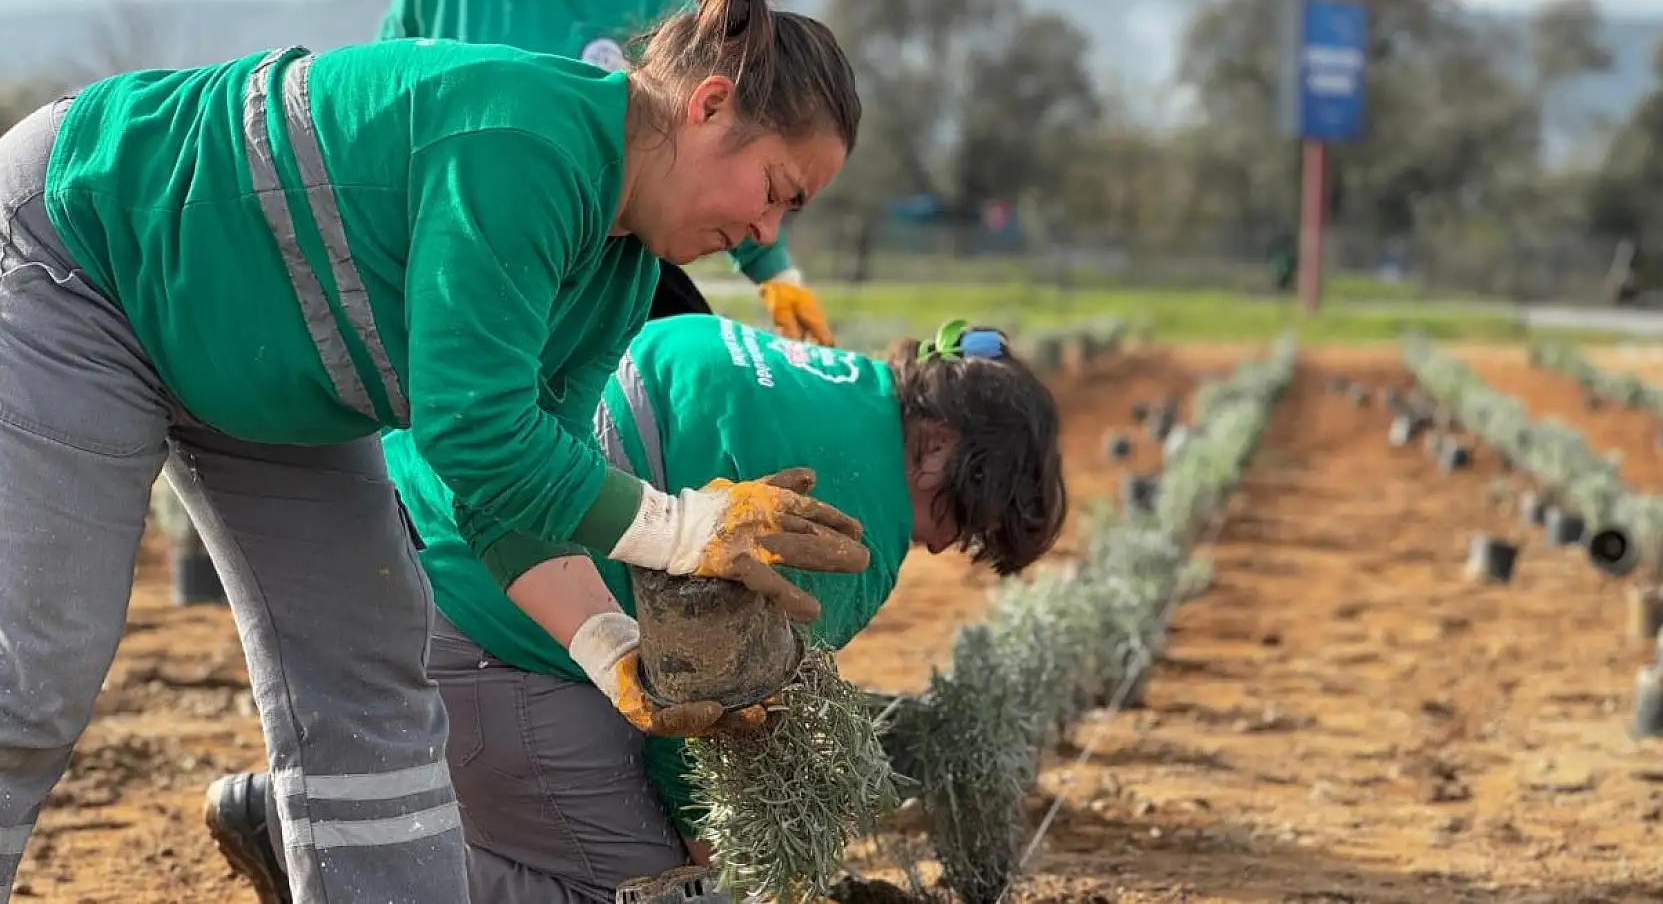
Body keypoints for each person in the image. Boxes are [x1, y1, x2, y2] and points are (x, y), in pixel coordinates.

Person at [0, 0, 864, 901]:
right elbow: (476, 434)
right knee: (36, 673)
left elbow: (505, 487)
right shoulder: (528, 140)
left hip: (262, 356)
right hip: (91, 247)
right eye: (775, 189)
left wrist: (611, 648)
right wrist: (684, 527)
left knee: (369, 684)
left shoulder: (616, 277)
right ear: (706, 107)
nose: (760, 232)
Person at [203, 314, 1069, 904]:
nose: (942, 547)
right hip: (466, 603)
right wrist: (710, 854)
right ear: (943, 449)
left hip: (385, 516)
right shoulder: (860, 515)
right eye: (966, 521)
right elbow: (714, 709)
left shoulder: (823, 376)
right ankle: (332, 849)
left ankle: (346, 816)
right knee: (642, 890)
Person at [378, 0, 836, 344]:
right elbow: (387, 99)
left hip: (597, 256)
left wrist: (775, 275)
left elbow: (721, 137)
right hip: (462, 244)